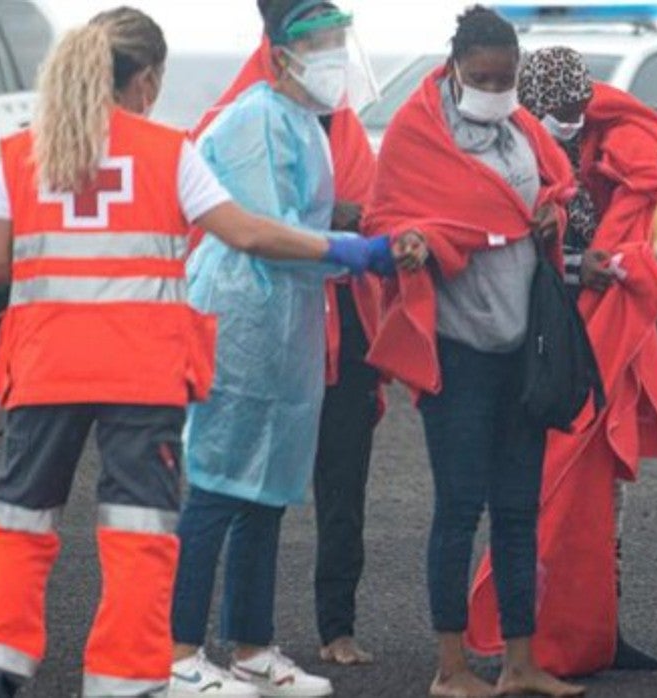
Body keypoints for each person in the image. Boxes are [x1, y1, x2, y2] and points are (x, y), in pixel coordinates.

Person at [0, 7, 389, 698]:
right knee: (136, 537)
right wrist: (348, 249)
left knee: (19, 526)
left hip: (42, 370)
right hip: (138, 374)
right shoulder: (166, 150)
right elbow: (244, 231)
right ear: (148, 79)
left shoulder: (22, 151)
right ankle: (127, 679)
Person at [167, 2, 425, 696]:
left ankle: (251, 647)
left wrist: (366, 245)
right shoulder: (252, 120)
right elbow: (259, 233)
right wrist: (352, 250)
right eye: (324, 47)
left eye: (343, 44)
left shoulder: (309, 126)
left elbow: (313, 224)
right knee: (220, 485)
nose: (336, 60)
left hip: (289, 327)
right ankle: (180, 650)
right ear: (281, 55)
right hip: (242, 320)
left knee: (267, 490)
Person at [363, 6, 583, 697]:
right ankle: (451, 667)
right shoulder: (414, 132)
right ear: (454, 68)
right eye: (482, 76)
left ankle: (519, 664)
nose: (495, 86)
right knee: (459, 507)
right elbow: (387, 217)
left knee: (519, 509)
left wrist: (551, 210)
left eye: (505, 76)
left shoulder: (521, 130)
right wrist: (417, 241)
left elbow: (555, 187)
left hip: (523, 344)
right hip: (459, 350)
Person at [464, 46, 657, 677]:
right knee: (542, 487)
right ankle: (523, 635)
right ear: (533, 105)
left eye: (578, 106)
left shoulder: (596, 149)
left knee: (601, 493)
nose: (571, 118)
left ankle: (598, 630)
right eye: (558, 109)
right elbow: (497, 249)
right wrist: (573, 264)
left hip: (596, 340)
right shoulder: (510, 159)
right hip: (540, 342)